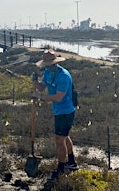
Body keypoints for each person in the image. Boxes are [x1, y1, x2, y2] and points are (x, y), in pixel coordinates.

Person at [32, 49, 78, 179]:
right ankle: (72, 161)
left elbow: (58, 97)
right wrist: (36, 82)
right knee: (64, 136)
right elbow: (42, 86)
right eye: (47, 64)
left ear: (55, 63)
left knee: (59, 140)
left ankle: (61, 169)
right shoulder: (47, 72)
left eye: (51, 64)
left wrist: (40, 98)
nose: (49, 66)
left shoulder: (64, 76)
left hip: (66, 111)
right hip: (58, 110)